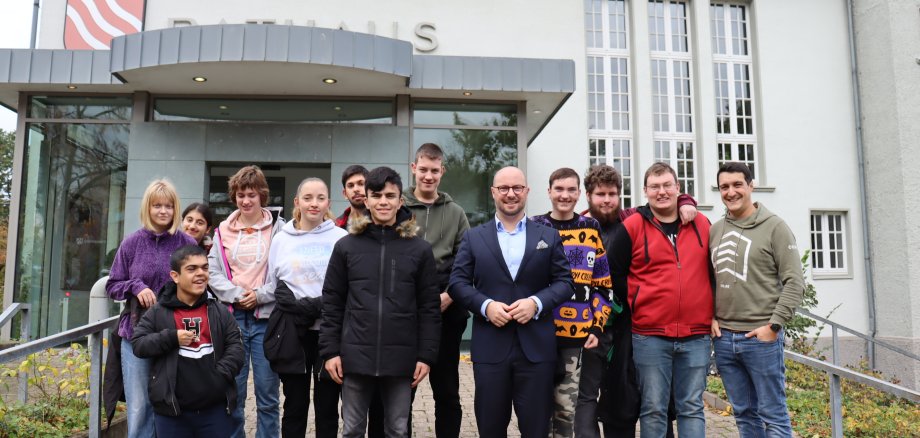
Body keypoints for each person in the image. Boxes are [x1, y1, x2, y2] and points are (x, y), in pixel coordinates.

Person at [448, 166, 574, 438]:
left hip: (537, 351)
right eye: (503, 188)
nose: (510, 194)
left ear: (527, 191)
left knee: (536, 429)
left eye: (517, 188)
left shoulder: (548, 236)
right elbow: (457, 283)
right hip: (491, 349)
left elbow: (565, 283)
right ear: (493, 192)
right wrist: (486, 306)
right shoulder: (474, 237)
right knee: (490, 429)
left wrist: (536, 303)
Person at [319, 166, 442, 438]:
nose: (383, 201)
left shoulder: (419, 250)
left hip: (402, 359)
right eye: (376, 195)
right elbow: (332, 303)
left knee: (397, 430)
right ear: (367, 199)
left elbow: (429, 308)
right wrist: (330, 352)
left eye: (390, 195)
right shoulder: (346, 247)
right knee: (351, 430)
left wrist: (425, 355)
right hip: (354, 357)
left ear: (401, 201)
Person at [582, 165, 697, 438]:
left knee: (653, 397)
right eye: (600, 194)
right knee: (604, 401)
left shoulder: (633, 218)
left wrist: (686, 200)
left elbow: (662, 202)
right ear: (589, 196)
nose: (607, 200)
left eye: (612, 193)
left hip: (637, 324)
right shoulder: (581, 226)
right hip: (595, 327)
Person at [365, 143, 470, 438]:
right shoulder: (397, 206)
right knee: (400, 391)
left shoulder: (456, 213)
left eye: (434, 171)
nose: (428, 176)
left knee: (447, 390)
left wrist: (449, 295)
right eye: (423, 169)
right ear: (414, 168)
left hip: (445, 306)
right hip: (403, 308)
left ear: (442, 172)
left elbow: (465, 261)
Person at [609, 162, 713, 438]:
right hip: (650, 335)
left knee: (691, 407)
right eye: (655, 187)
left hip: (697, 334)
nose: (662, 192)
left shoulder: (702, 223)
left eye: (667, 185)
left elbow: (715, 271)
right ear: (645, 191)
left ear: (678, 188)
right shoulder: (632, 226)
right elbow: (615, 271)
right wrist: (637, 300)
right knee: (653, 408)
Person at [710, 162, 804, 438]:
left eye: (737, 184)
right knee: (744, 416)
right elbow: (708, 280)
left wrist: (773, 326)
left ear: (751, 186)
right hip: (725, 340)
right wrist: (711, 316)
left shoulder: (775, 227)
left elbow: (795, 282)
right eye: (724, 187)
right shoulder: (715, 230)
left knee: (774, 416)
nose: (731, 192)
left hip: (760, 338)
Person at [106, 179, 196, 438]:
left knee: (176, 401)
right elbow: (112, 284)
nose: (163, 211)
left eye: (168, 206)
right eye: (157, 205)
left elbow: (200, 283)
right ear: (148, 207)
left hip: (178, 333)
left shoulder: (186, 242)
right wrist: (135, 286)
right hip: (136, 334)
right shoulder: (132, 243)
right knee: (139, 406)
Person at [531, 167, 613, 438]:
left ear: (579, 193)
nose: (565, 195)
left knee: (566, 410)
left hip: (575, 335)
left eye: (571, 190)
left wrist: (597, 327)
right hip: (538, 334)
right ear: (549, 191)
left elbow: (602, 284)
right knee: (537, 409)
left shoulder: (590, 228)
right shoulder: (534, 226)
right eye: (559, 189)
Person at [263, 178, 347, 438]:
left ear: (328, 203)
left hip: (329, 333)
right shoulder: (281, 240)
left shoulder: (341, 239)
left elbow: (347, 287)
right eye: (308, 198)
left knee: (327, 406)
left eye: (320, 198)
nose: (314, 203)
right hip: (292, 332)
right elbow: (275, 284)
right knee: (295, 405)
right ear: (297, 202)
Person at [131, 245, 244, 437]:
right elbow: (139, 344)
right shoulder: (159, 312)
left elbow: (236, 346)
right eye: (192, 269)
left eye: (204, 268)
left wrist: (220, 375)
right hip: (172, 414)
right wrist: (171, 337)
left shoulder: (217, 310)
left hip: (215, 412)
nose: (201, 274)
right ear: (175, 276)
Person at [208, 165, 283, 438]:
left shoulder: (280, 229)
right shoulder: (222, 231)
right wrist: (237, 295)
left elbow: (285, 273)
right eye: (240, 195)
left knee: (268, 398)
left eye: (251, 194)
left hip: (267, 321)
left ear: (262, 195)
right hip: (233, 320)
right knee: (233, 395)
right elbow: (212, 273)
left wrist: (260, 295)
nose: (246, 200)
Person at [335, 164, 369, 229]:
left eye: (361, 184)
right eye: (350, 186)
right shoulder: (336, 227)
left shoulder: (381, 221)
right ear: (345, 194)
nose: (356, 189)